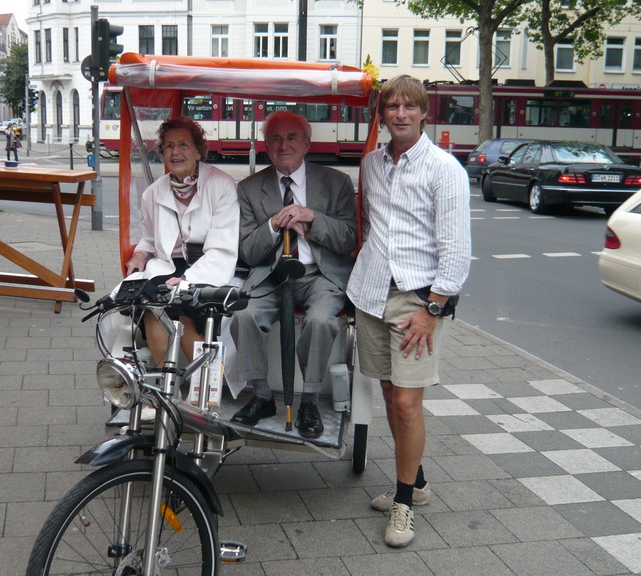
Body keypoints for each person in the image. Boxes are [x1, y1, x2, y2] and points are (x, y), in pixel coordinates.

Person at [346, 75, 471, 547]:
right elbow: (369, 226)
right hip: (371, 293)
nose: (400, 114)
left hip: (416, 299)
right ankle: (414, 481)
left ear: (423, 112)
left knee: (406, 402)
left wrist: (432, 310)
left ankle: (405, 504)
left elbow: (456, 249)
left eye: (409, 106)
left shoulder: (444, 169)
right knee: (386, 391)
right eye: (392, 106)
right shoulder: (371, 165)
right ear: (381, 114)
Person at [229, 110, 356, 439]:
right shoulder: (249, 188)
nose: (283, 145)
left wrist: (312, 218)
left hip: (320, 276)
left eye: (291, 138)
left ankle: (309, 400)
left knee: (321, 321)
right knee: (243, 315)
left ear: (307, 143)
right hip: (271, 276)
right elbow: (247, 252)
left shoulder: (337, 183)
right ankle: (262, 396)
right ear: (266, 146)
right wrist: (273, 225)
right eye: (275, 139)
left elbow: (348, 240)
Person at [124, 117, 239, 366]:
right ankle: (162, 384)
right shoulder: (152, 193)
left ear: (198, 151)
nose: (175, 152)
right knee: (153, 306)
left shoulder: (222, 185)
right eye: (169, 146)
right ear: (162, 153)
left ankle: (200, 384)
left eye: (184, 145)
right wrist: (141, 253)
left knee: (182, 309)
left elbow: (222, 247)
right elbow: (149, 238)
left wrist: (186, 280)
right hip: (169, 265)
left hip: (210, 265)